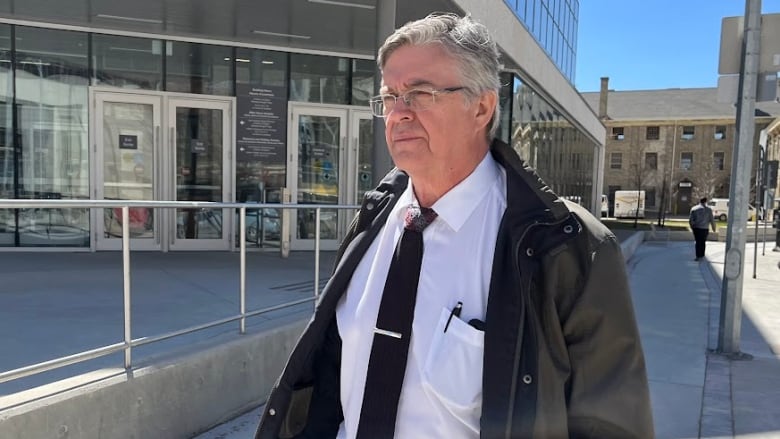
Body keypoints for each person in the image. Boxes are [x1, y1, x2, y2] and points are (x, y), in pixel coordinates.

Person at [255, 13, 653, 439]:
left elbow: (612, 426)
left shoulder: (566, 248)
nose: (398, 114)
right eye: (390, 97)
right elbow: (331, 382)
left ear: (481, 107)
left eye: (420, 93)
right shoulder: (372, 223)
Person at [689, 197, 716, 261]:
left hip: (697, 228)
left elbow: (691, 220)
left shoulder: (694, 209)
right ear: (705, 201)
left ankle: (698, 255)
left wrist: (692, 226)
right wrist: (713, 227)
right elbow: (711, 219)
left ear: (700, 201)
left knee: (698, 242)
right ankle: (702, 254)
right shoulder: (709, 210)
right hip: (705, 228)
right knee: (703, 242)